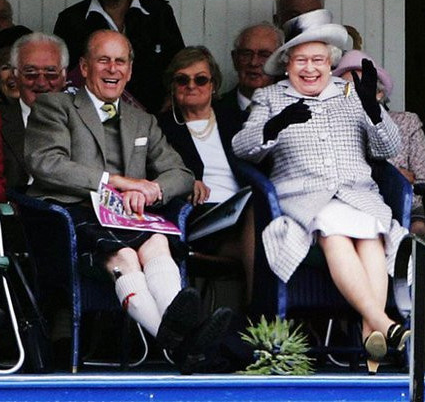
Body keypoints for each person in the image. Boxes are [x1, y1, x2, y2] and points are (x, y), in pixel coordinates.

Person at [24, 30, 229, 374]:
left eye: (120, 61)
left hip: (127, 217)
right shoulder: (55, 107)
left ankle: (182, 344)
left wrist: (151, 190)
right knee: (126, 257)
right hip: (73, 217)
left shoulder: (142, 120)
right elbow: (47, 163)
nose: (112, 69)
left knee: (159, 243)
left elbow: (180, 173)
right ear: (84, 68)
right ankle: (186, 343)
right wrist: (117, 182)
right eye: (103, 60)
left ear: (130, 71)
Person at [232, 9, 410, 374]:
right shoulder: (270, 98)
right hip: (304, 202)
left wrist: (373, 110)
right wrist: (276, 125)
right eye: (301, 60)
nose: (310, 68)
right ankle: (384, 323)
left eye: (318, 60)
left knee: (372, 236)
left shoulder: (352, 94)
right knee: (334, 231)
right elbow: (242, 147)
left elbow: (389, 148)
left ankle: (373, 338)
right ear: (287, 64)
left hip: (359, 196)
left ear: (330, 63)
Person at [158, 46, 255, 305]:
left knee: (262, 235)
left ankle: (254, 314)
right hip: (198, 214)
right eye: (182, 80)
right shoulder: (161, 127)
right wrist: (184, 182)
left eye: (200, 79)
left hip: (241, 210)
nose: (192, 85)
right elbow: (155, 171)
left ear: (213, 85)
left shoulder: (235, 120)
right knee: (260, 233)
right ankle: (261, 316)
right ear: (172, 87)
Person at [53, 0, 185, 113]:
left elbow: (181, 64)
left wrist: (172, 97)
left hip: (156, 116)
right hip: (92, 117)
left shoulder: (159, 12)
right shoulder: (71, 20)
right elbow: (62, 77)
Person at [333, 49, 425, 235]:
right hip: (356, 202)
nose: (356, 94)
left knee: (419, 229)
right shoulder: (336, 128)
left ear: (379, 93)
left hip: (409, 207)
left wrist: (394, 180)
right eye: (346, 89)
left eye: (362, 87)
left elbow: (420, 178)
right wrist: (392, 174)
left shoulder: (407, 122)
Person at [2, 33, 69, 191]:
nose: (41, 82)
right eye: (31, 73)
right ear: (15, 76)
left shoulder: (84, 119)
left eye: (51, 73)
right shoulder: (2, 119)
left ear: (64, 76)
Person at [219, 23, 284, 118]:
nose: (254, 62)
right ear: (234, 59)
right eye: (246, 54)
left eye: (264, 55)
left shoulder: (295, 110)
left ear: (280, 61)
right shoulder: (211, 111)